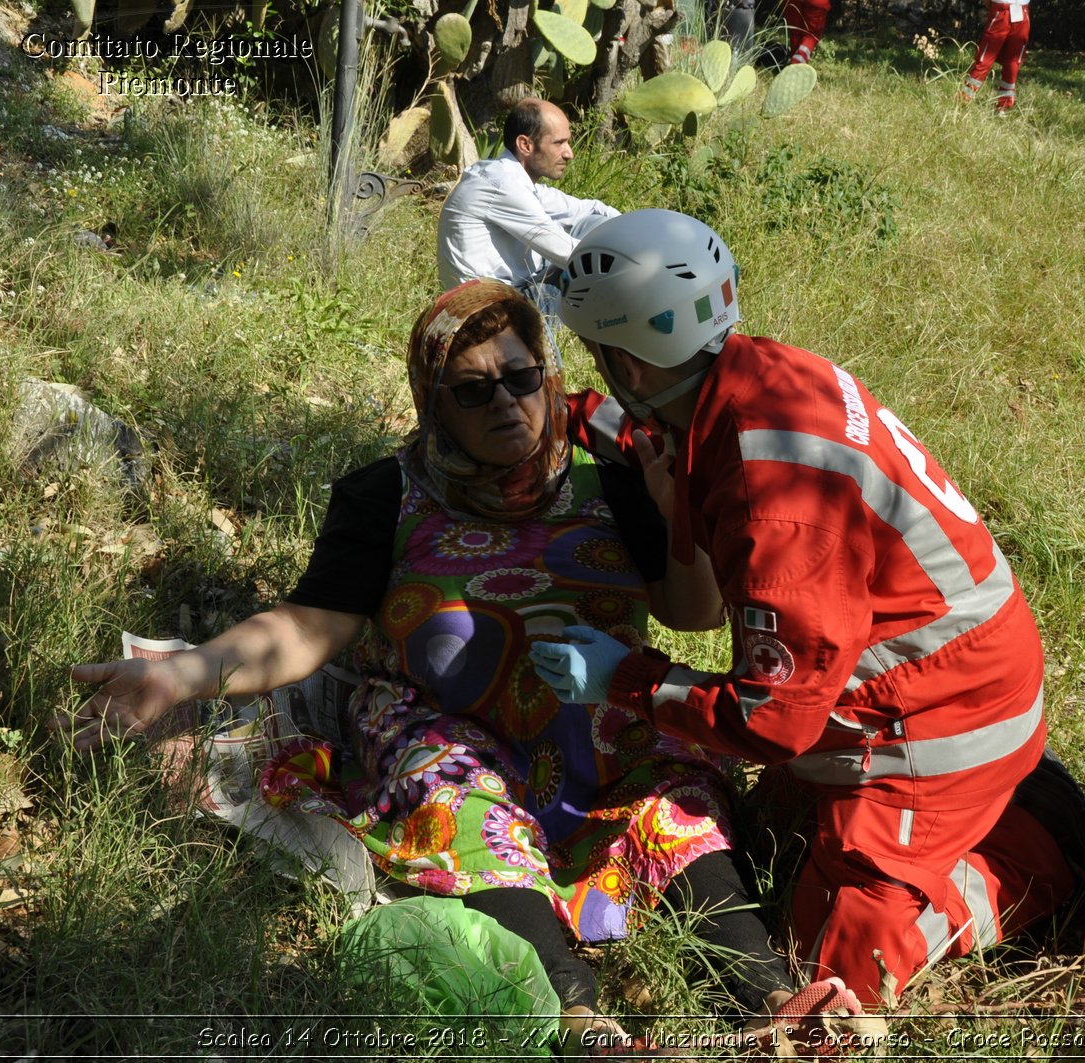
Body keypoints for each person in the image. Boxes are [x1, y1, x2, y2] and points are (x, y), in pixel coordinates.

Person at [56, 279, 856, 1054]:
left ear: (548, 377)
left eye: (521, 378)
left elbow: (693, 612)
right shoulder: (385, 495)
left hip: (602, 717)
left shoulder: (613, 473)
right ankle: (587, 1029)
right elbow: (308, 626)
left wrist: (677, 511)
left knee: (674, 798)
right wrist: (185, 674)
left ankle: (775, 1002)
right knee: (465, 810)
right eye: (472, 391)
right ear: (433, 403)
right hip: (442, 724)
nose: (506, 402)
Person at [530, 210, 1085, 1007]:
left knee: (826, 975)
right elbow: (665, 440)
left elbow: (772, 723)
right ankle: (985, 810)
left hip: (940, 718)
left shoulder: (777, 509)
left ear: (627, 356)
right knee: (770, 841)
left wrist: (629, 678)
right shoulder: (756, 374)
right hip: (949, 670)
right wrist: (571, 413)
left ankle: (1026, 859)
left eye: (598, 354)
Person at [436, 99, 618, 348]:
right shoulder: (501, 185)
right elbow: (570, 254)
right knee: (596, 259)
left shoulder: (516, 181)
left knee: (593, 224)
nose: (569, 153)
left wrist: (635, 231)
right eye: (559, 143)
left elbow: (589, 208)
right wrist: (640, 268)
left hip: (517, 293)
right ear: (525, 145)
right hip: (492, 314)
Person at [960, 0, 1032, 113]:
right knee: (985, 58)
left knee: (1013, 62)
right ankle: (963, 100)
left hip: (1021, 12)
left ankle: (1004, 105)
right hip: (1002, 10)